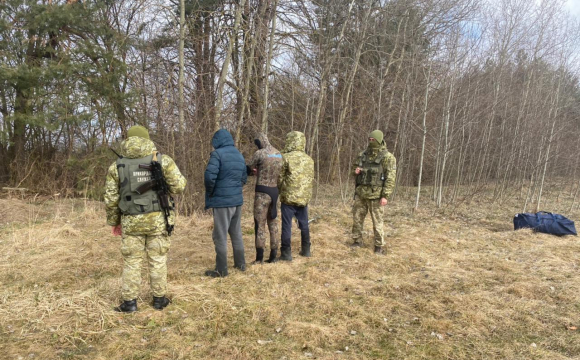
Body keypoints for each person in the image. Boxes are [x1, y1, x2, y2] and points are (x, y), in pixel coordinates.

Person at [105, 125, 186, 313]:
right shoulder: (163, 160)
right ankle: (159, 299)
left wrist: (114, 221)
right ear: (147, 139)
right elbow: (180, 186)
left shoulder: (117, 166)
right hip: (158, 220)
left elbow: (110, 199)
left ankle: (130, 303)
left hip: (131, 221)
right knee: (157, 259)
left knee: (132, 262)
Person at [204, 129, 247, 277]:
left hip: (222, 201)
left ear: (217, 141)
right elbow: (243, 178)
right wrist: (234, 189)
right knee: (236, 233)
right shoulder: (239, 155)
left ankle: (221, 270)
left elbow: (209, 177)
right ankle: (240, 264)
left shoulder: (217, 155)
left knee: (220, 235)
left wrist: (211, 192)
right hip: (237, 200)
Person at [351, 130, 396, 254]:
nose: (371, 142)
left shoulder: (387, 157)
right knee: (357, 218)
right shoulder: (362, 155)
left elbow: (390, 178)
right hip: (361, 193)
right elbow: (353, 170)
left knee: (377, 221)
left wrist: (385, 196)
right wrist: (356, 171)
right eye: (369, 139)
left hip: (376, 195)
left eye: (373, 140)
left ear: (379, 140)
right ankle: (357, 241)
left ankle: (378, 246)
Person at [278, 131, 314, 261]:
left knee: (287, 225)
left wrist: (280, 190)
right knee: (304, 224)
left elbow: (280, 177)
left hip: (288, 197)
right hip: (303, 198)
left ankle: (286, 253)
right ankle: (306, 250)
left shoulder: (285, 157)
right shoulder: (309, 159)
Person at [247, 133, 283, 264]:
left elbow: (249, 168)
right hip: (275, 191)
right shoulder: (279, 153)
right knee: (273, 223)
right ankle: (273, 256)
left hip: (262, 191)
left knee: (260, 224)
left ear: (260, 142)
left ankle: (259, 258)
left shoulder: (260, 153)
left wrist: (253, 172)